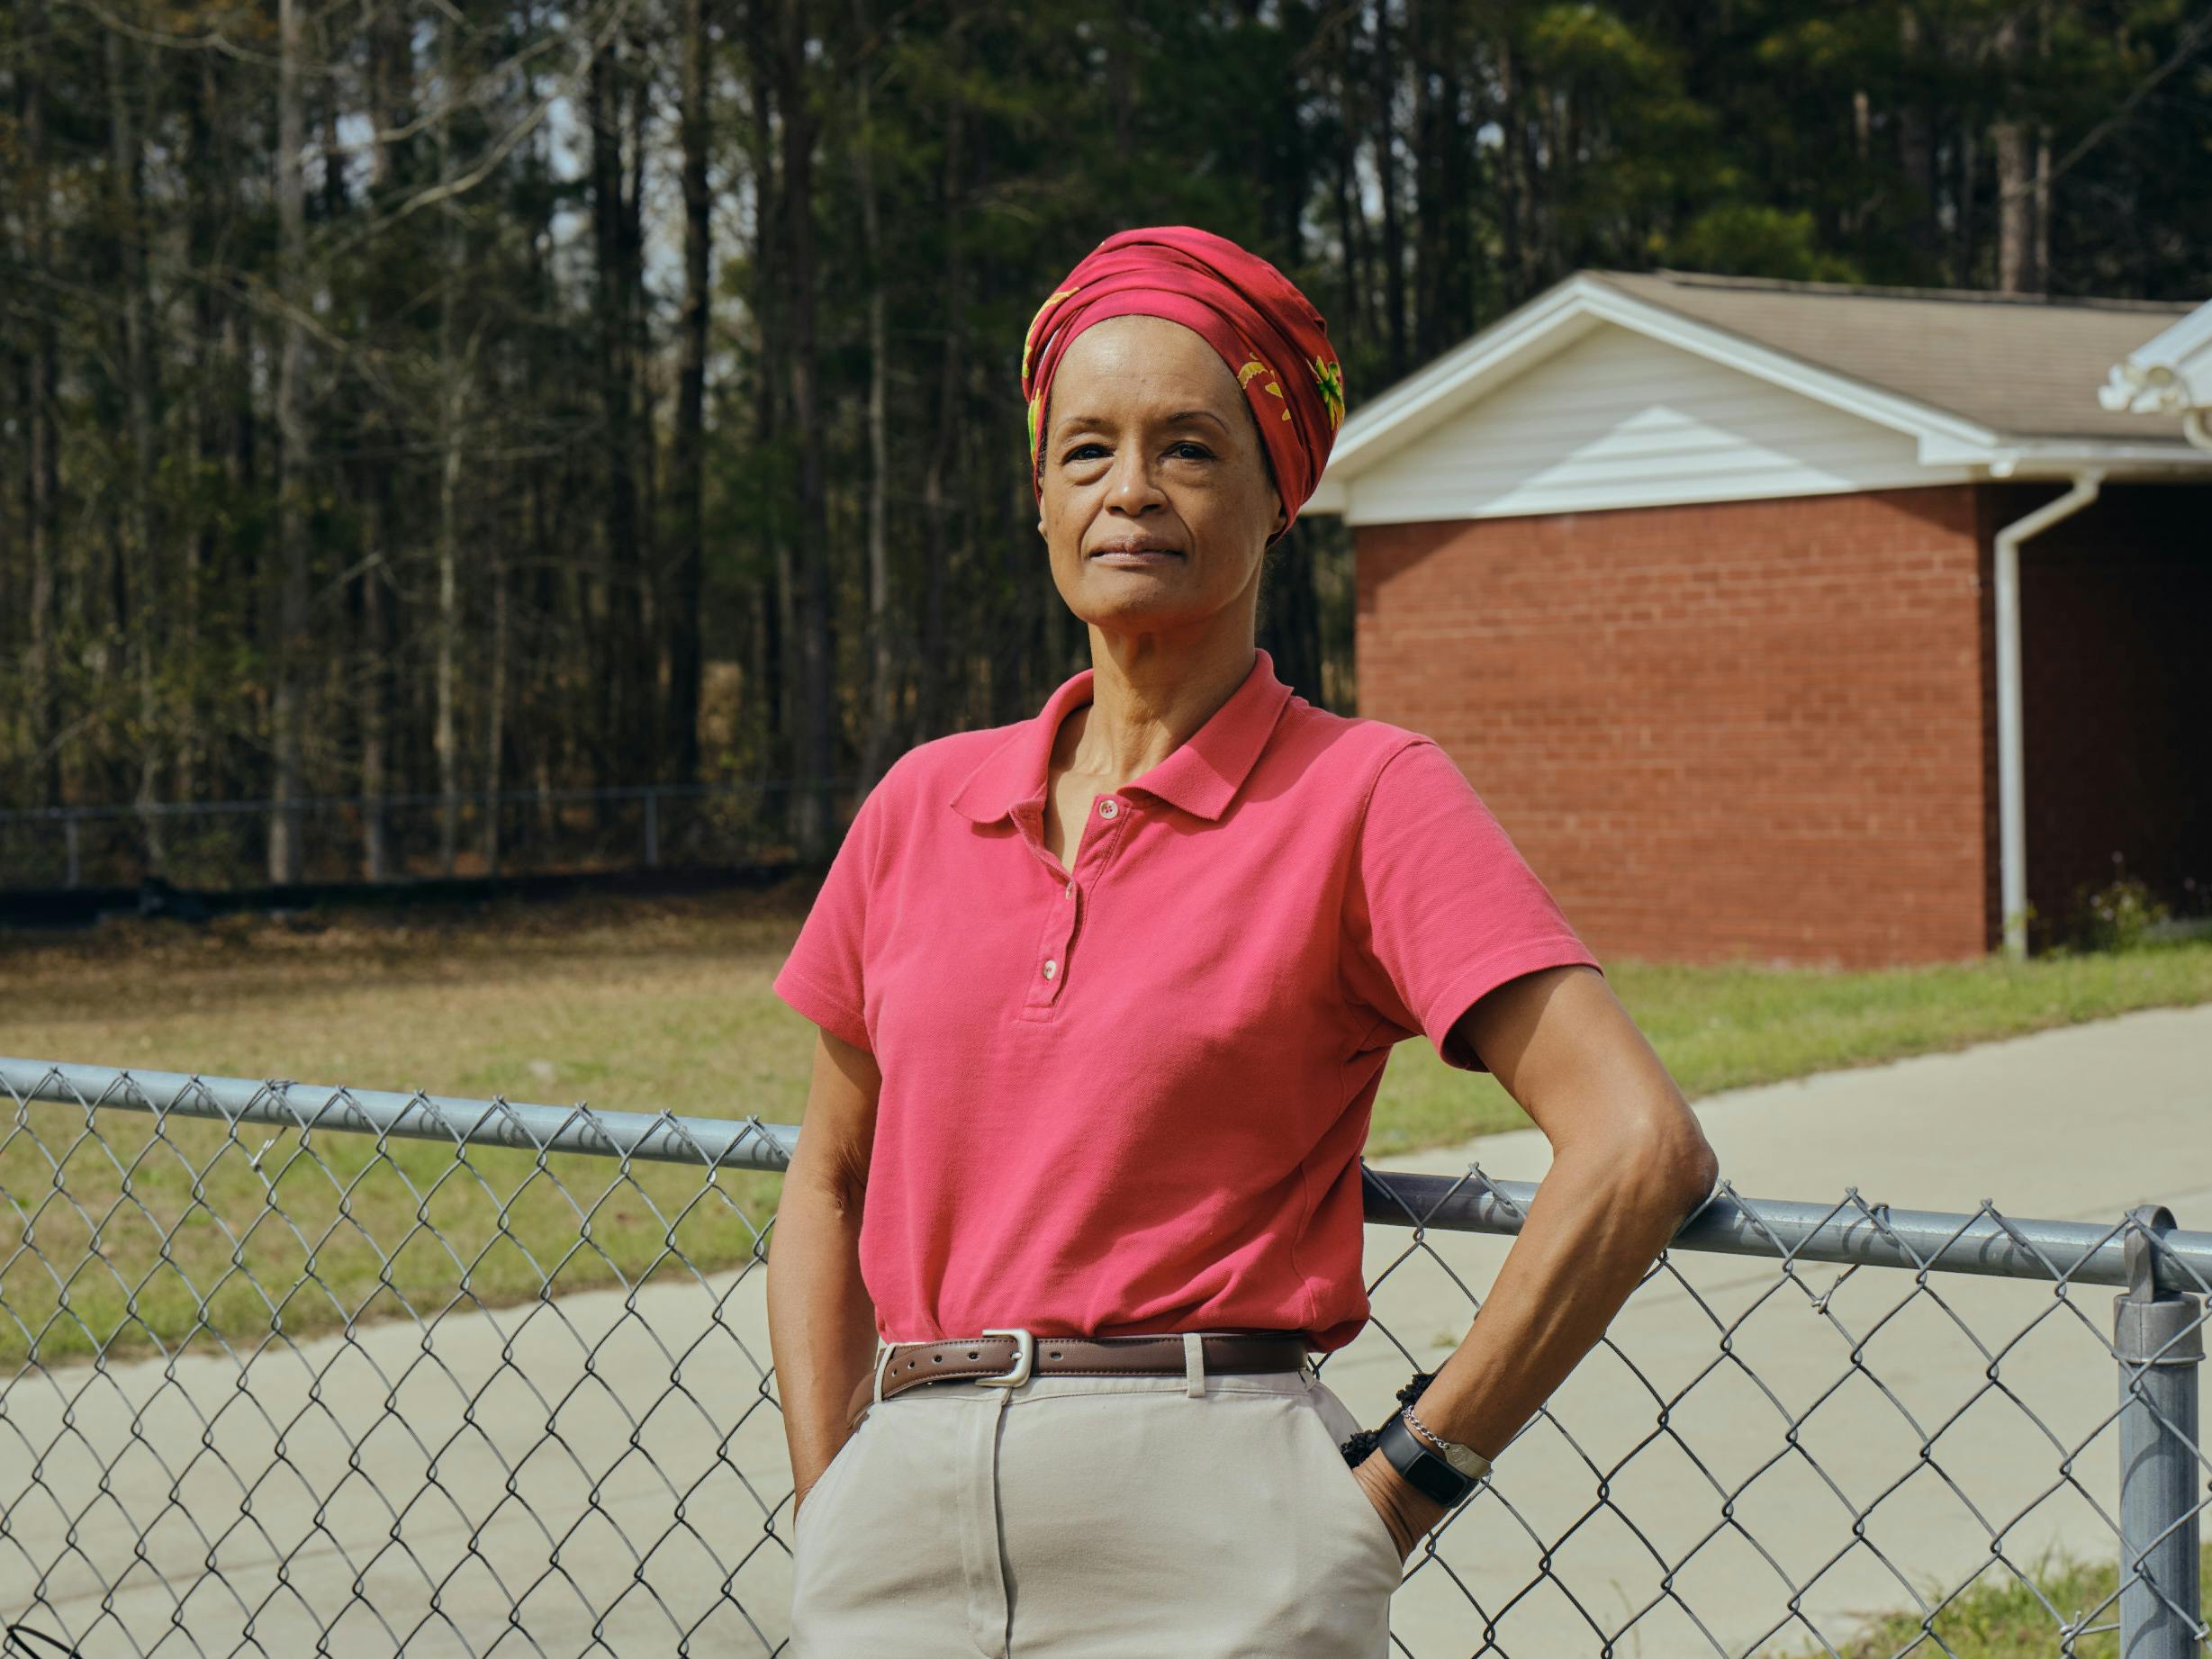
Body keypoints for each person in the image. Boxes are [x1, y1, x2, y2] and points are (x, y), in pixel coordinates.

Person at [764, 223, 1720, 1658]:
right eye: (1084, 450)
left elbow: (1636, 1145)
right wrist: (830, 1490)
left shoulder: (1367, 795)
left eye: (1191, 448)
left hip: (1215, 1525)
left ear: (1283, 491)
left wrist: (1402, 1485)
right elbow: (829, 1177)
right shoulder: (919, 803)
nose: (1129, 490)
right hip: (901, 1514)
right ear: (1036, 495)